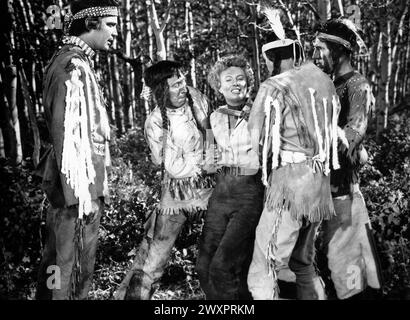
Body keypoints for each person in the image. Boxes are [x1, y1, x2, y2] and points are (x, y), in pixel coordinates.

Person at [246, 7, 341, 300]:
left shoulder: (275, 86)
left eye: (272, 59)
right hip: (318, 185)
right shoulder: (324, 82)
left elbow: (254, 138)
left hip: (290, 185)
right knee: (302, 262)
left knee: (266, 264)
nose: (271, 64)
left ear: (275, 58)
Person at [35, 0, 119, 300]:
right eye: (110, 25)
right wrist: (83, 196)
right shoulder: (71, 67)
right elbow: (66, 135)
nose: (115, 32)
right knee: (71, 269)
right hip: (76, 193)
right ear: (90, 24)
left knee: (58, 263)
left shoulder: (73, 61)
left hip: (73, 189)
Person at [114, 60, 214, 300]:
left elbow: (211, 130)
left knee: (220, 249)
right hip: (177, 191)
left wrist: (212, 156)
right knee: (155, 254)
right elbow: (168, 164)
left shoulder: (196, 98)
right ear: (161, 91)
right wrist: (201, 164)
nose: (183, 87)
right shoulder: (155, 121)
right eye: (176, 84)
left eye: (183, 81)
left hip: (210, 187)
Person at [312, 18, 382, 299]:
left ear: (339, 50)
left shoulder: (358, 86)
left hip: (344, 196)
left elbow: (353, 136)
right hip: (319, 194)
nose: (316, 56)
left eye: (321, 49)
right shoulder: (325, 84)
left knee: (349, 275)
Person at [196, 55, 264, 300]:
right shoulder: (213, 118)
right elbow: (210, 160)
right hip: (221, 192)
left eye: (241, 78)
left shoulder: (261, 113)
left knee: (224, 266)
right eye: (228, 79)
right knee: (203, 267)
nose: (236, 83)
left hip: (249, 192)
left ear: (249, 83)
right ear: (219, 86)